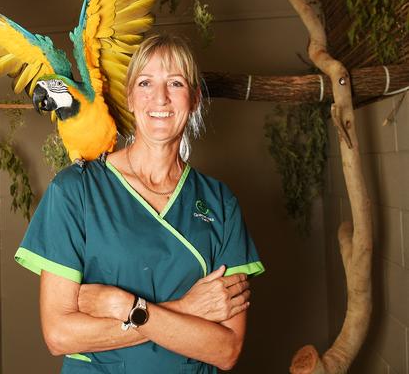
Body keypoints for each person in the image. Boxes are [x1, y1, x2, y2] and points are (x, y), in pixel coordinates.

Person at [15, 34, 265, 373]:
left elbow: (227, 349)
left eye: (175, 83)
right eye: (146, 82)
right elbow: (60, 335)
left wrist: (119, 304)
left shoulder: (220, 202)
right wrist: (185, 309)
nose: (159, 97)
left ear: (194, 99)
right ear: (130, 97)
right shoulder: (75, 191)